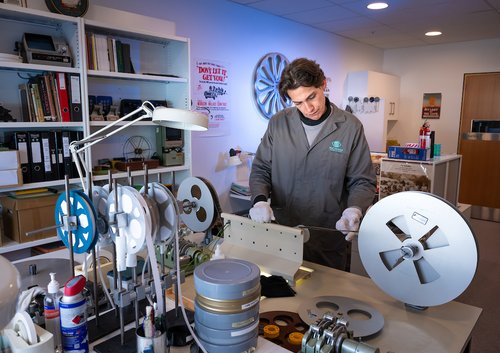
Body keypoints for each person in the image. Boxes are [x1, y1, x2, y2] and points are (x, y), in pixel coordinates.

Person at [248, 58, 376, 270]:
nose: (308, 108)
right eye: (297, 103)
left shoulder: (350, 127)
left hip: (328, 234)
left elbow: (362, 180)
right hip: (283, 231)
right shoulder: (279, 123)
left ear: (323, 85)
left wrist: (353, 210)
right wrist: (260, 200)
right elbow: (261, 169)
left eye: (311, 97)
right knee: (282, 294)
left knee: (329, 297)